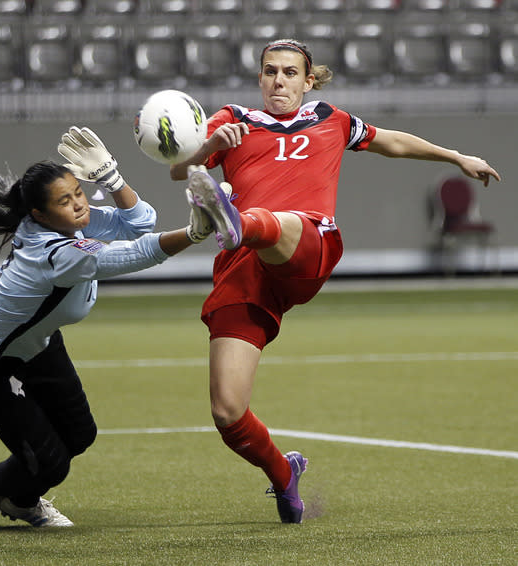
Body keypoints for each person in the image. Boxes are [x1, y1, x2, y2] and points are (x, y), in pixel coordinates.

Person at [170, 38, 502, 524]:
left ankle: (236, 222)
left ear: (308, 81)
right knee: (227, 412)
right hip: (244, 270)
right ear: (259, 78)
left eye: (288, 73)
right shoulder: (230, 119)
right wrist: (209, 146)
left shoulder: (331, 118)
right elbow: (183, 168)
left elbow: (392, 141)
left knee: (271, 220)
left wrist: (455, 156)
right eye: (269, 72)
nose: (277, 81)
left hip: (306, 246)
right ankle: (284, 473)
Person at [0, 126, 224, 527]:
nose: (78, 206)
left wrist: (112, 177)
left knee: (79, 434)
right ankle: (10, 495)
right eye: (65, 201)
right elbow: (133, 254)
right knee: (52, 465)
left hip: (34, 342)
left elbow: (140, 222)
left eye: (78, 193)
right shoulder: (54, 253)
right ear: (39, 214)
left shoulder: (70, 224)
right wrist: (196, 232)